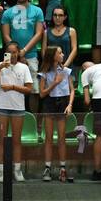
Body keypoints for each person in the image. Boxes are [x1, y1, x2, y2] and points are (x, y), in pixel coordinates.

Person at [0, 40, 31, 182]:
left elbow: (29, 89)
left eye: (15, 52)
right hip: (2, 107)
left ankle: (17, 170)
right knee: (1, 139)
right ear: (5, 53)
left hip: (18, 108)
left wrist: (13, 87)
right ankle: (1, 170)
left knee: (16, 140)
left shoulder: (24, 67)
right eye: (10, 52)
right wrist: (0, 68)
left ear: (18, 53)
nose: (13, 55)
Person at [37, 45, 72, 183]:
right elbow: (41, 94)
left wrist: (70, 104)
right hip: (49, 103)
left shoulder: (66, 71)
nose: (63, 54)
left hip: (63, 103)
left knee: (62, 138)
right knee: (49, 138)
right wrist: (55, 83)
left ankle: (63, 168)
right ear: (53, 56)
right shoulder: (44, 73)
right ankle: (47, 167)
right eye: (60, 52)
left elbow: (72, 90)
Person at [0, 0, 42, 71]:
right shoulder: (7, 13)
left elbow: (39, 34)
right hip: (9, 55)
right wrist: (17, 52)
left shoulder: (38, 11)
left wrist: (24, 51)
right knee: (7, 82)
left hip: (31, 54)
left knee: (32, 83)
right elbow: (6, 35)